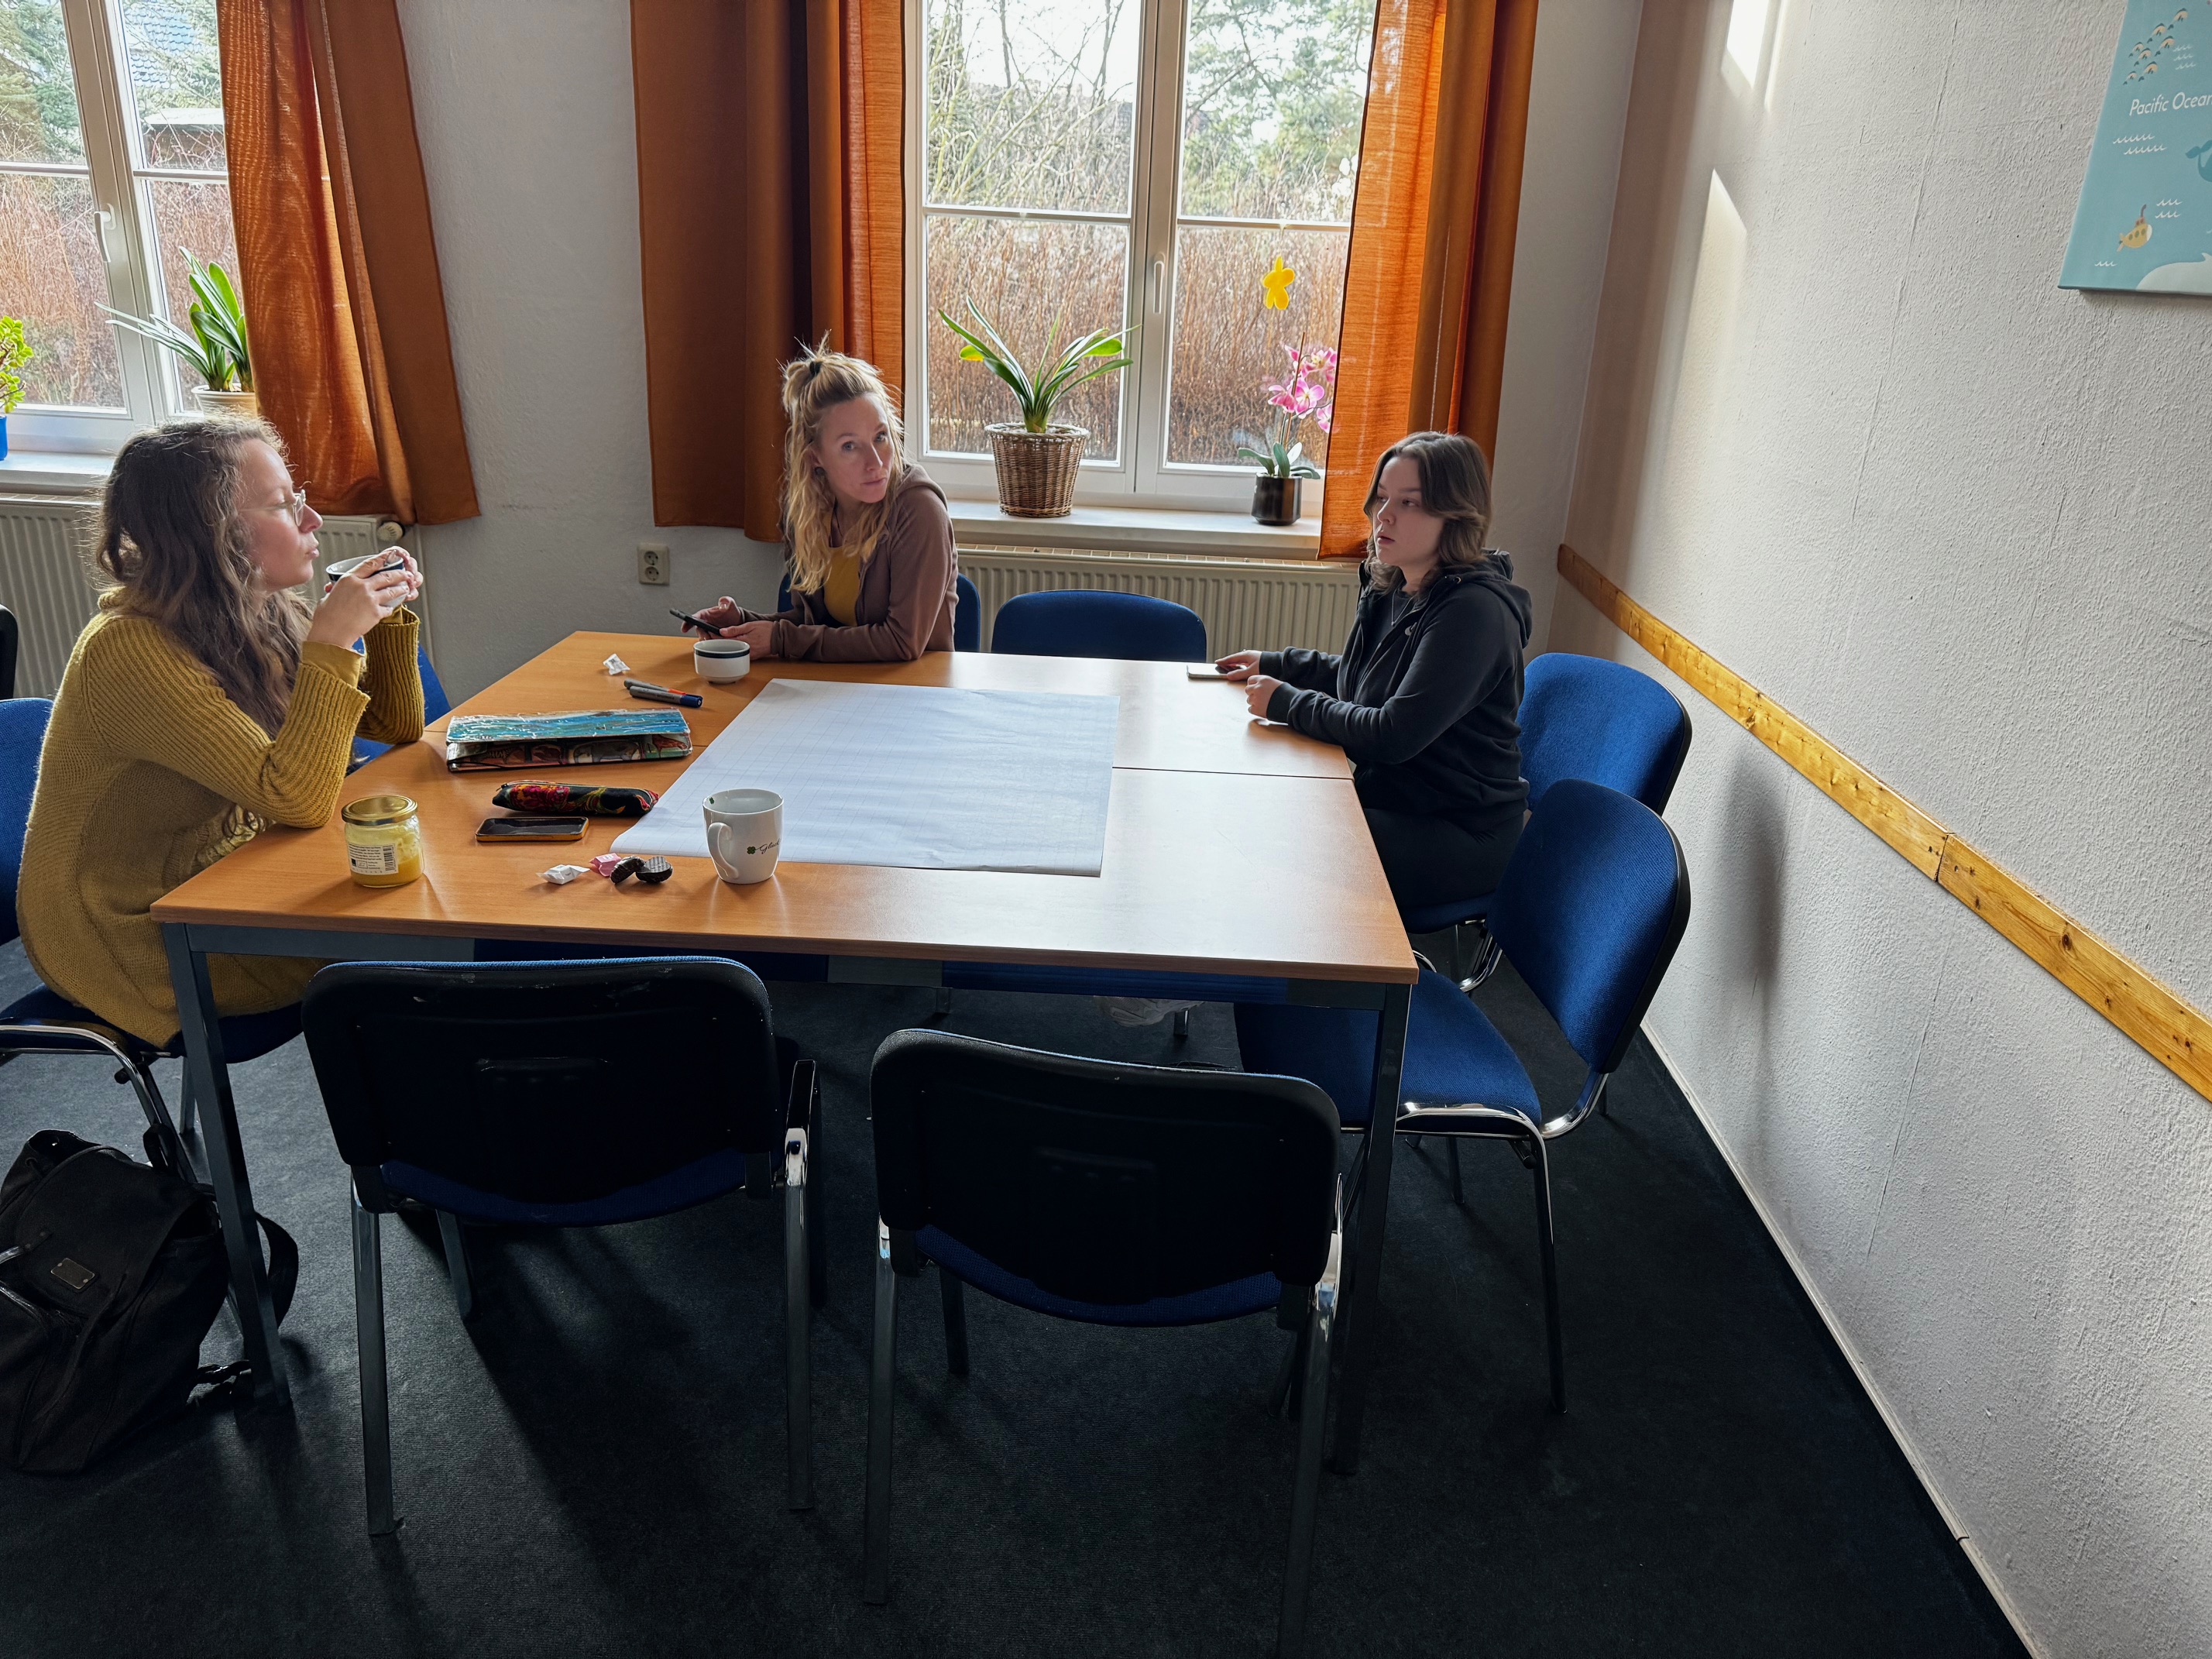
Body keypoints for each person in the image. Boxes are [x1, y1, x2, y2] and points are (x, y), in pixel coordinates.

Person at [18, 417, 425, 1046]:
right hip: (132, 935)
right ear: (211, 533)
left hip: (224, 878)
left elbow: (393, 726)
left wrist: (384, 618)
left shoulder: (254, 609)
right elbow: (295, 798)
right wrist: (333, 642)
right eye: (283, 506)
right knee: (420, 937)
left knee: (421, 907)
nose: (312, 520)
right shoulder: (128, 651)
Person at [1220, 431, 1532, 914]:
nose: (1384, 515)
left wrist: (1287, 701)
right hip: (1397, 800)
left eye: (1409, 503)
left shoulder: (1473, 614)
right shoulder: (1396, 580)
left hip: (1458, 831)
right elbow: (1365, 678)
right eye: (1383, 497)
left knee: (1277, 836)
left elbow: (1392, 734)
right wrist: (1278, 664)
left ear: (1456, 515)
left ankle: (1307, 961)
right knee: (1267, 809)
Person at [684, 349, 956, 661]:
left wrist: (779, 638)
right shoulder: (810, 512)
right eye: (850, 446)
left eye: (881, 437)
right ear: (816, 458)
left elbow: (901, 643)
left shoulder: (919, 509)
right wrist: (742, 624)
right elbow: (815, 627)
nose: (876, 462)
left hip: (916, 686)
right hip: (839, 684)